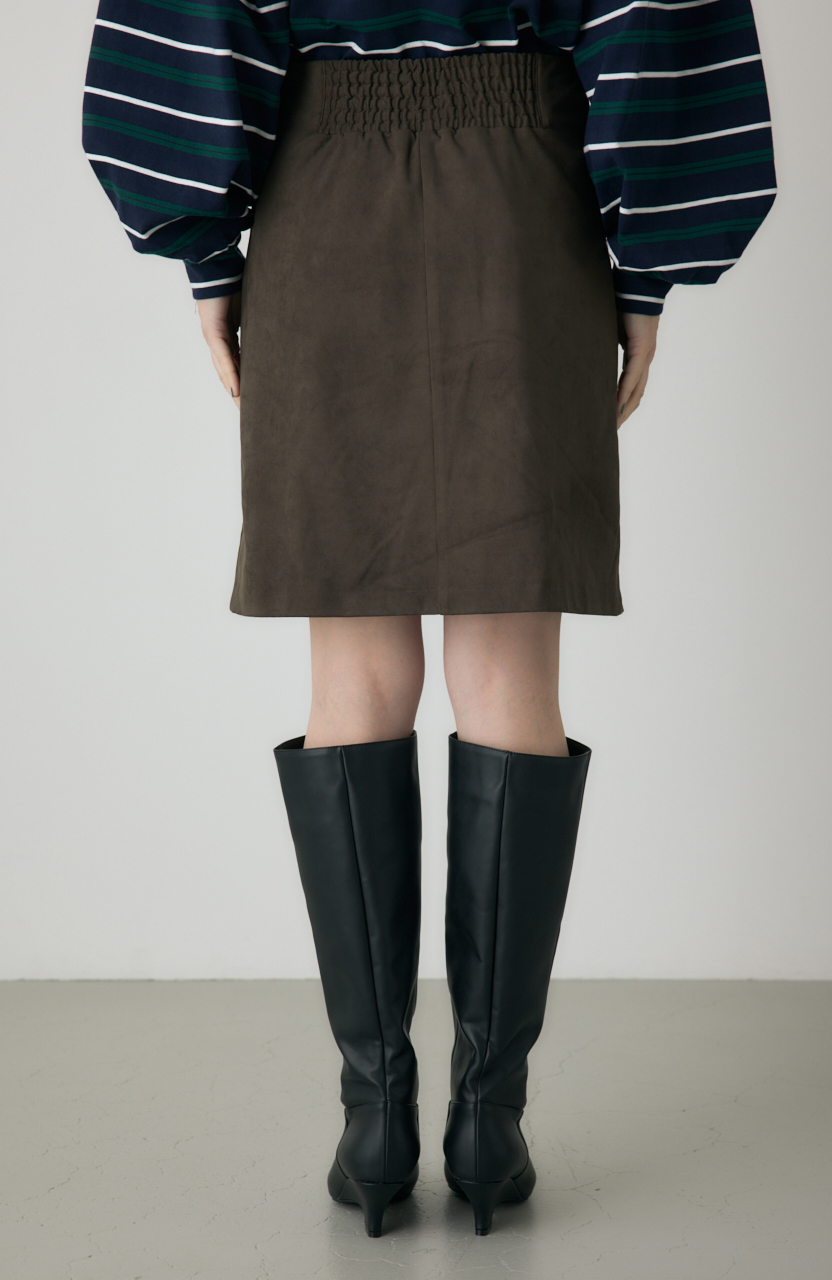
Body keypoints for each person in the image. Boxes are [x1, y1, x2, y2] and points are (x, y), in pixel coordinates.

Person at [82, 0, 776, 1239]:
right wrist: (645, 273)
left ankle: (375, 1117)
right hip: (522, 195)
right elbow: (655, 16)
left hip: (323, 185)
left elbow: (190, 20)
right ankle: (488, 1119)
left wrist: (207, 257)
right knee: (511, 665)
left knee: (351, 669)